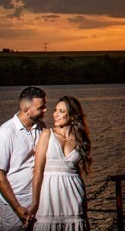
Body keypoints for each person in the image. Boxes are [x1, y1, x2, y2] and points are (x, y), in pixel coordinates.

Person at [29, 96, 92, 230]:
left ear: (72, 115)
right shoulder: (47, 134)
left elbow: (78, 173)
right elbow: (37, 170)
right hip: (49, 195)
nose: (55, 114)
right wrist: (35, 202)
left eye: (61, 111)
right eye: (56, 110)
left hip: (74, 195)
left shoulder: (81, 139)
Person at [0, 86, 47, 230]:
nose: (45, 110)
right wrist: (17, 207)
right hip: (13, 208)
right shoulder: (6, 132)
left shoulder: (41, 127)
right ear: (27, 110)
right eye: (41, 107)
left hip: (37, 205)